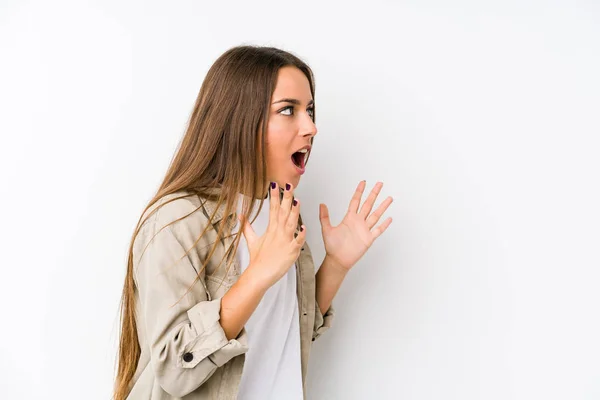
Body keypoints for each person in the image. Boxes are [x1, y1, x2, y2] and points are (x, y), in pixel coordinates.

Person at [113, 45, 393, 400]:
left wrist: (336, 264)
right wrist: (257, 276)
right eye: (287, 110)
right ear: (239, 119)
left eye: (309, 110)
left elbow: (287, 333)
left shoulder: (280, 215)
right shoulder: (176, 219)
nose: (311, 127)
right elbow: (173, 368)